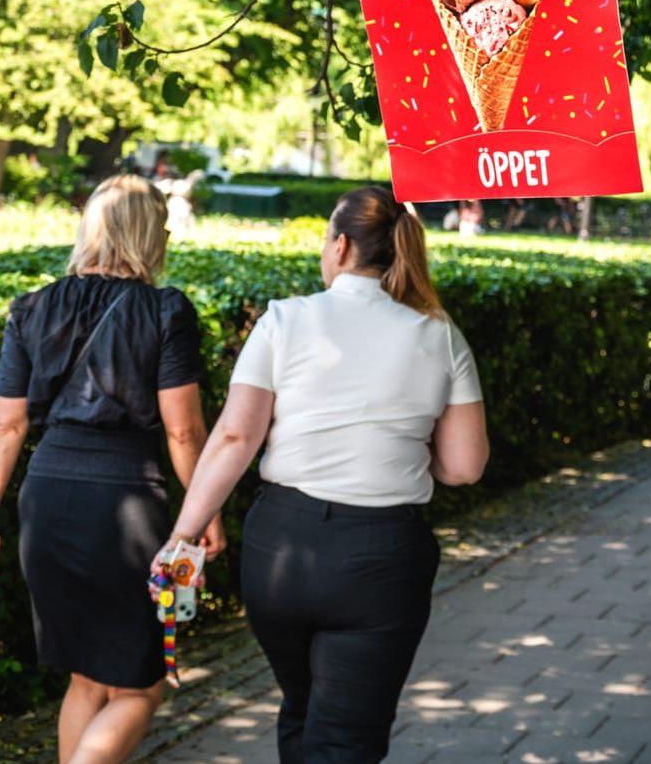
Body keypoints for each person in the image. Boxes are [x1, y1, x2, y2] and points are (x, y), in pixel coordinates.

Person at [154, 186, 490, 763]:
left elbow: (235, 437)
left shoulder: (285, 319)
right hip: (381, 557)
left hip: (280, 550)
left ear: (339, 245)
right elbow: (464, 467)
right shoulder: (440, 333)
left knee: (303, 707)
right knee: (344, 739)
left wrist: (183, 536)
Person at [0, 174, 225, 764]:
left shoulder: (31, 308)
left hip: (48, 497)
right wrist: (203, 508)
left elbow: (6, 427)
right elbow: (183, 429)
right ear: (147, 236)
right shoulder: (165, 310)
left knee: (86, 679)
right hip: (125, 503)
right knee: (141, 686)